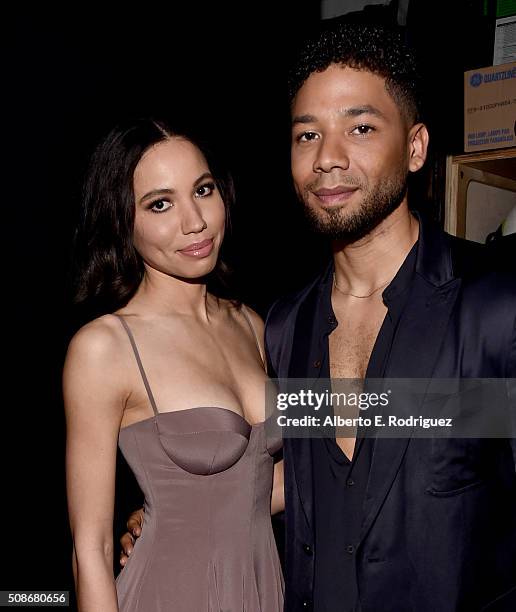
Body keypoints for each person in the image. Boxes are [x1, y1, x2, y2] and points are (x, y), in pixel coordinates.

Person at [120, 22, 516, 611]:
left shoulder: (494, 305)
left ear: (415, 147)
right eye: (308, 135)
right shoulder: (285, 325)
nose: (328, 158)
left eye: (360, 128)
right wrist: (186, 512)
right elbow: (305, 474)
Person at [63, 118, 285, 612]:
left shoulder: (251, 324)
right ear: (122, 220)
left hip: (261, 591)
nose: (194, 221)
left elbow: (262, 482)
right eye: (160, 204)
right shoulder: (104, 347)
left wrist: (468, 408)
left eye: (202, 190)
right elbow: (91, 550)